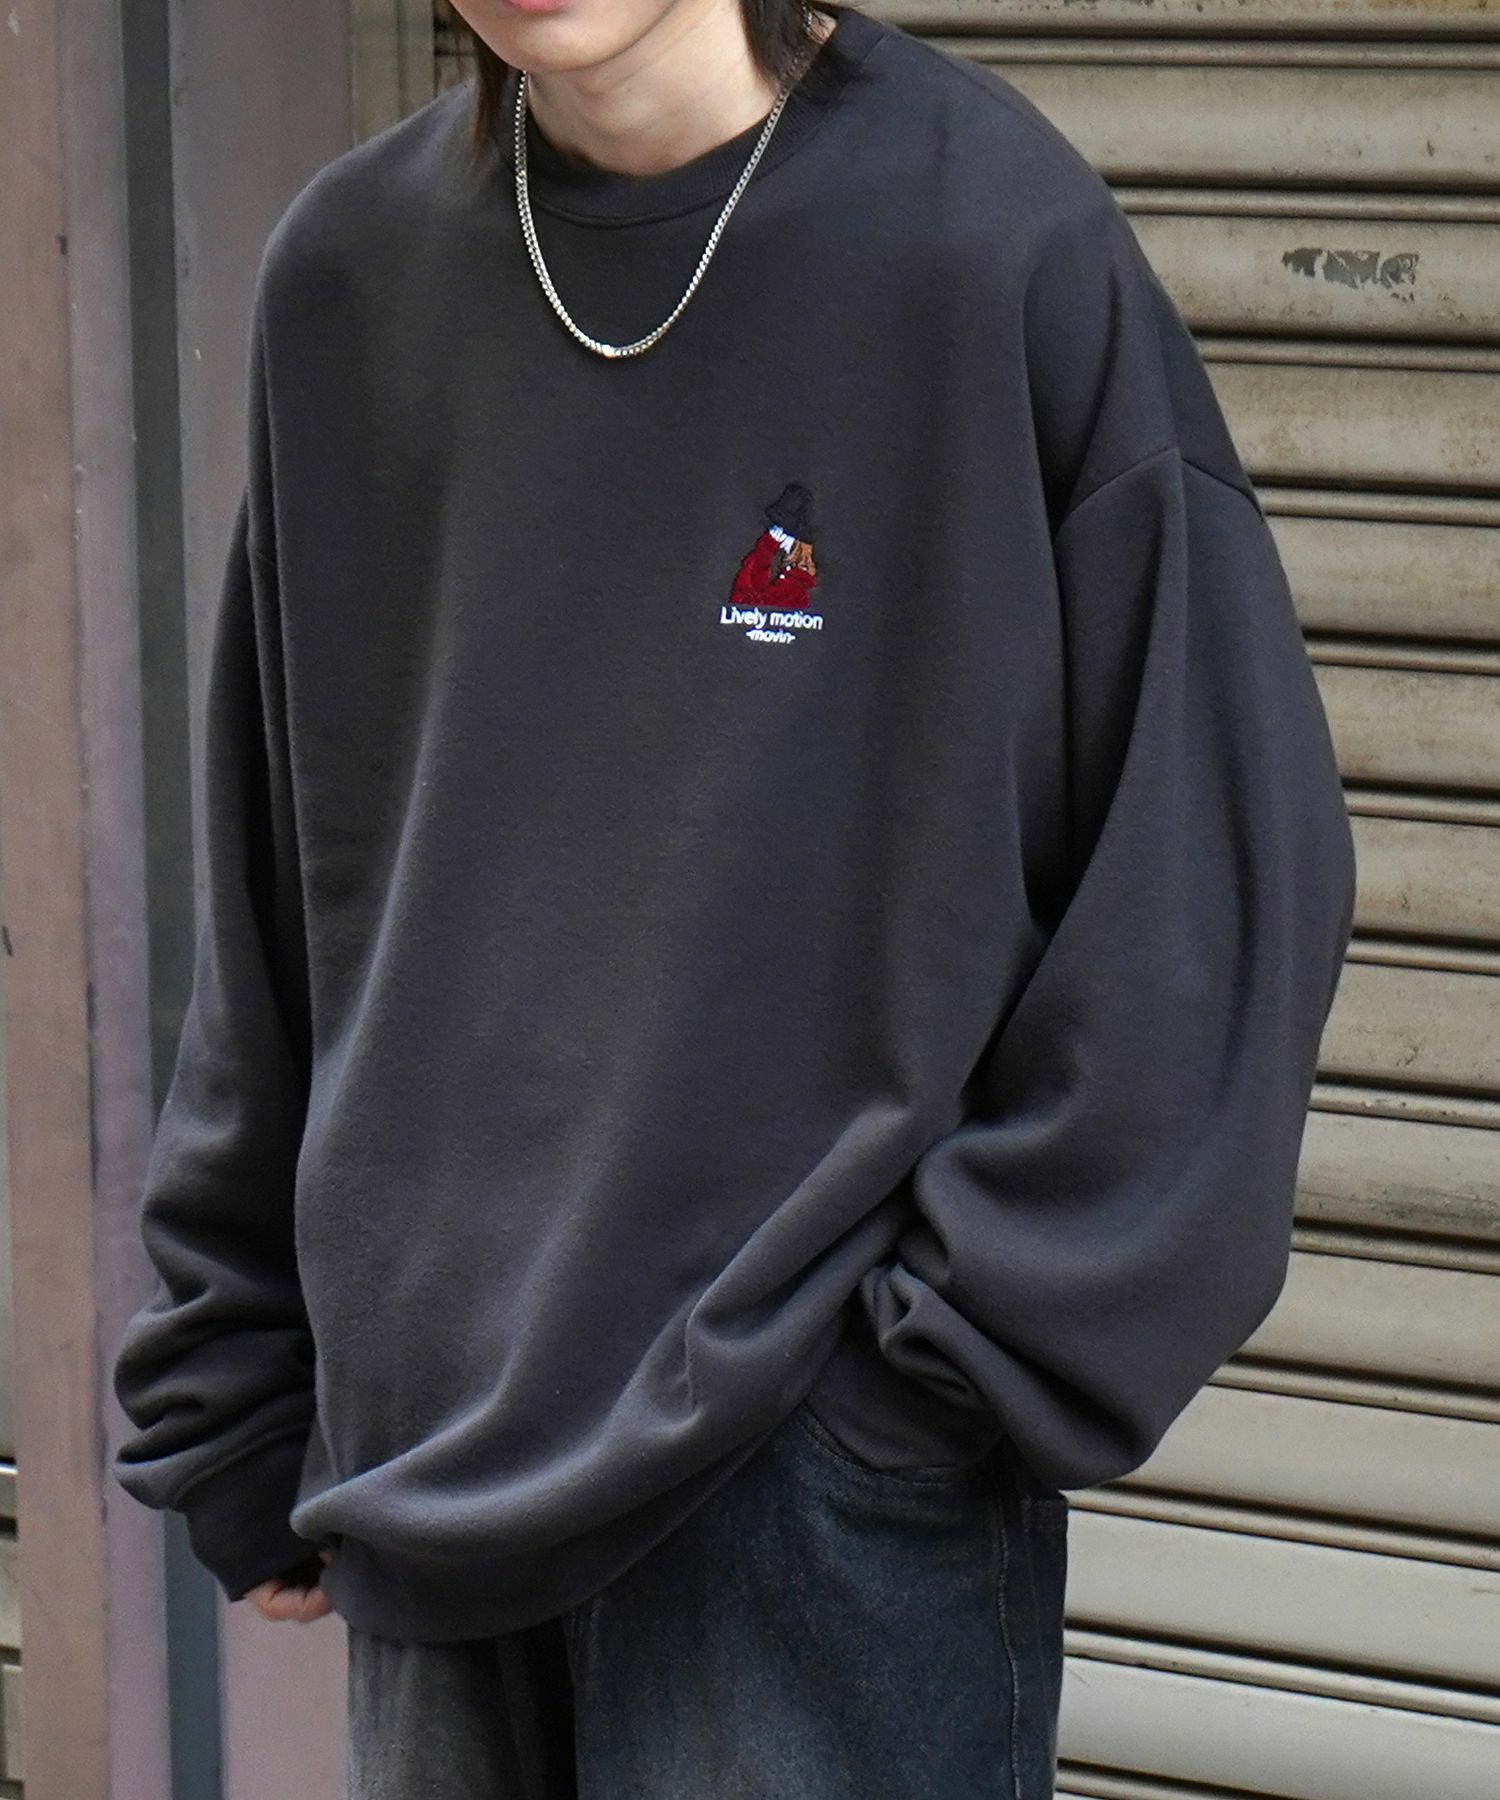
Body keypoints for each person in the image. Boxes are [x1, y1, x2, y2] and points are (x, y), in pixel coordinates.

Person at [108, 0, 1358, 1793]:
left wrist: (936, 1381)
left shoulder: (981, 239)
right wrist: (237, 1372)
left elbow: (1211, 864)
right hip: (431, 1471)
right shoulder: (353, 275)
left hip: (812, 1500)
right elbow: (283, 860)